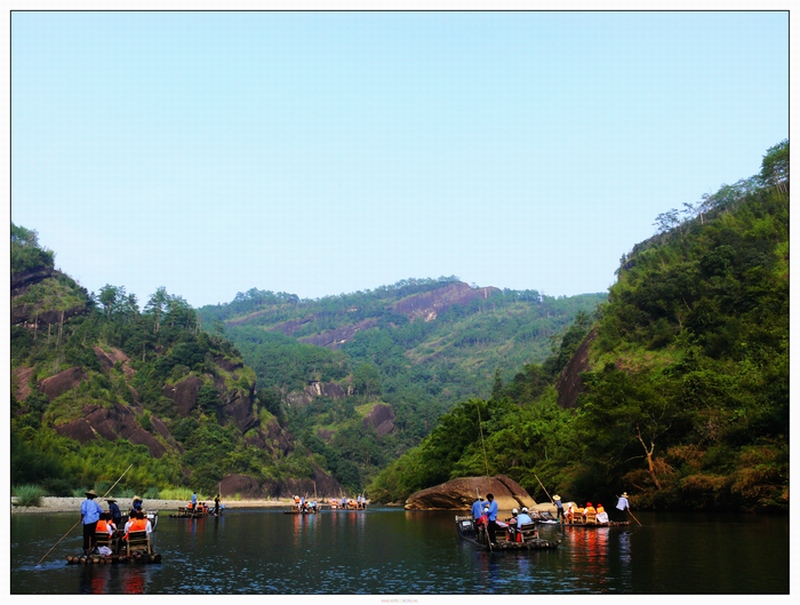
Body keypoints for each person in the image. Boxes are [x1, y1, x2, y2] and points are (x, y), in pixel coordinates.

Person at [81, 489, 104, 555]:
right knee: (93, 534)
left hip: (87, 521)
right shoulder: (95, 504)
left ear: (87, 496)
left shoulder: (84, 502)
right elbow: (101, 511)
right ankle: (95, 548)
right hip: (94, 521)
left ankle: (86, 549)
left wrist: (81, 517)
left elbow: (83, 511)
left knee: (86, 536)